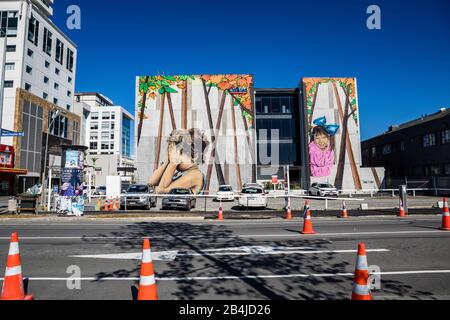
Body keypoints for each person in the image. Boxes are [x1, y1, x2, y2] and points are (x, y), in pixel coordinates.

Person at [149, 128, 209, 194]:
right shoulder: (180, 173)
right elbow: (151, 183)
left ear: (195, 156)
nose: (174, 156)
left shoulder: (196, 175)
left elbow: (161, 191)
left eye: (178, 153)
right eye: (172, 152)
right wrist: (167, 162)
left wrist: (173, 163)